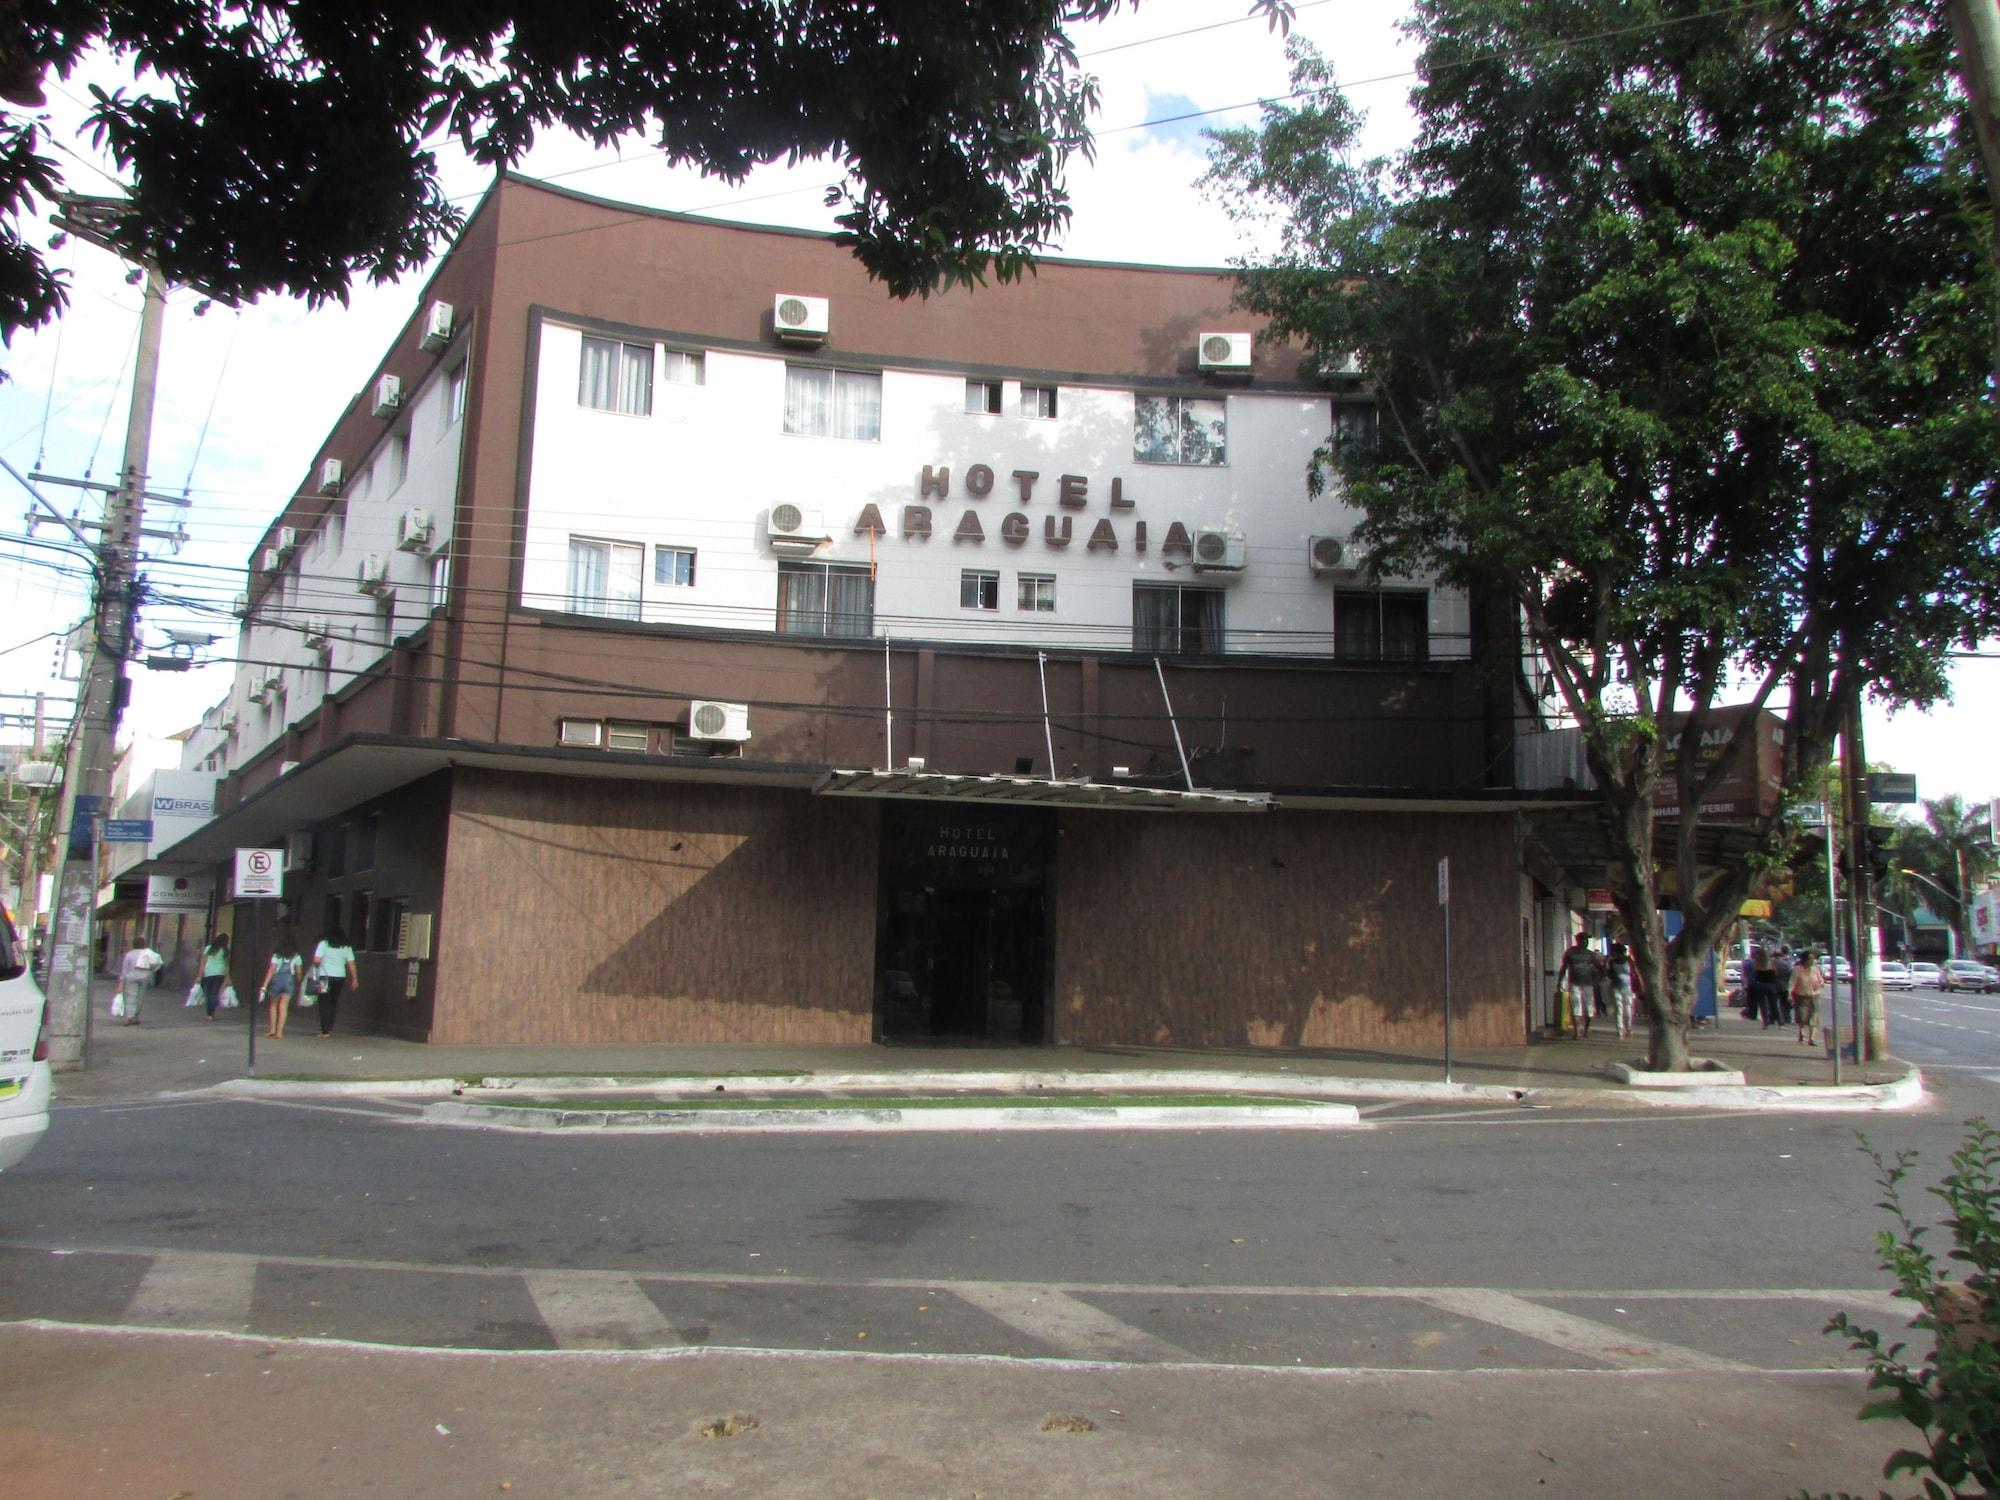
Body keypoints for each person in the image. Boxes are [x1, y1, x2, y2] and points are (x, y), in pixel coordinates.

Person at [310, 925, 358, 1038]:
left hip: (324, 976)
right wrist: (355, 978)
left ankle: (325, 1031)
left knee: (323, 1002)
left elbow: (316, 960)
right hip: (339, 977)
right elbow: (351, 963)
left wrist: (316, 966)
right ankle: (330, 1028)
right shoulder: (346, 947)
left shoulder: (323, 944)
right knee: (333, 1002)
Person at [259, 928, 304, 1039]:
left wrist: (265, 984)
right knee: (283, 1007)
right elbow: (299, 973)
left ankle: (272, 1030)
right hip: (289, 982)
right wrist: (299, 981)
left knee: (273, 1006)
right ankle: (280, 1032)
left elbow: (272, 969)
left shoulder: (277, 955)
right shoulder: (296, 956)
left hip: (276, 981)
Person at [1556, 935, 1601, 1039]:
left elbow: (1599, 968)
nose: (1586, 942)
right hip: (1574, 983)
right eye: (1584, 940)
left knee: (1588, 1008)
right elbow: (1564, 967)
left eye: (1587, 941)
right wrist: (1559, 981)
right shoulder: (1570, 953)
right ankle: (1577, 1031)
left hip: (1588, 984)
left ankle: (1586, 1030)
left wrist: (1597, 980)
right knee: (1576, 1007)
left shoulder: (1591, 954)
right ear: (1578, 941)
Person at [114, 939, 163, 1025]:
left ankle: (130, 1017)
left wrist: (121, 982)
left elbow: (124, 970)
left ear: (133, 945)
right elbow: (158, 963)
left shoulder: (129, 955)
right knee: (140, 997)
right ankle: (136, 1017)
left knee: (131, 996)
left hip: (131, 977)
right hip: (144, 976)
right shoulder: (149, 953)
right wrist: (151, 972)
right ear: (144, 944)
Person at [1789, 951, 1827, 1048]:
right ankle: (1802, 1033)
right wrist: (1789, 994)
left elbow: (1821, 980)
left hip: (1814, 995)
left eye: (1813, 959)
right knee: (1802, 1016)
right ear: (1804, 960)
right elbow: (1792, 983)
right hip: (1801, 995)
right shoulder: (1797, 970)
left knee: (1814, 1016)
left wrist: (1820, 984)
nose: (1812, 961)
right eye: (1810, 959)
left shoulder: (1815, 969)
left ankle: (1812, 1038)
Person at [1606, 939, 1641, 1040]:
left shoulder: (1629, 960)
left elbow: (1635, 972)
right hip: (1616, 987)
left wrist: (1638, 985)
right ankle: (1620, 1030)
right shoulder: (1612, 962)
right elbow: (1609, 973)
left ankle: (1629, 1028)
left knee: (1628, 1008)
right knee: (1619, 1009)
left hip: (1628, 987)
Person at [198, 931, 231, 1019]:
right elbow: (226, 965)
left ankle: (209, 1014)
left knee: (208, 993)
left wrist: (199, 975)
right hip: (220, 973)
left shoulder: (209, 948)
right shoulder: (225, 950)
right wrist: (228, 977)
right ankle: (212, 1012)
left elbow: (203, 962)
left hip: (208, 973)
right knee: (215, 992)